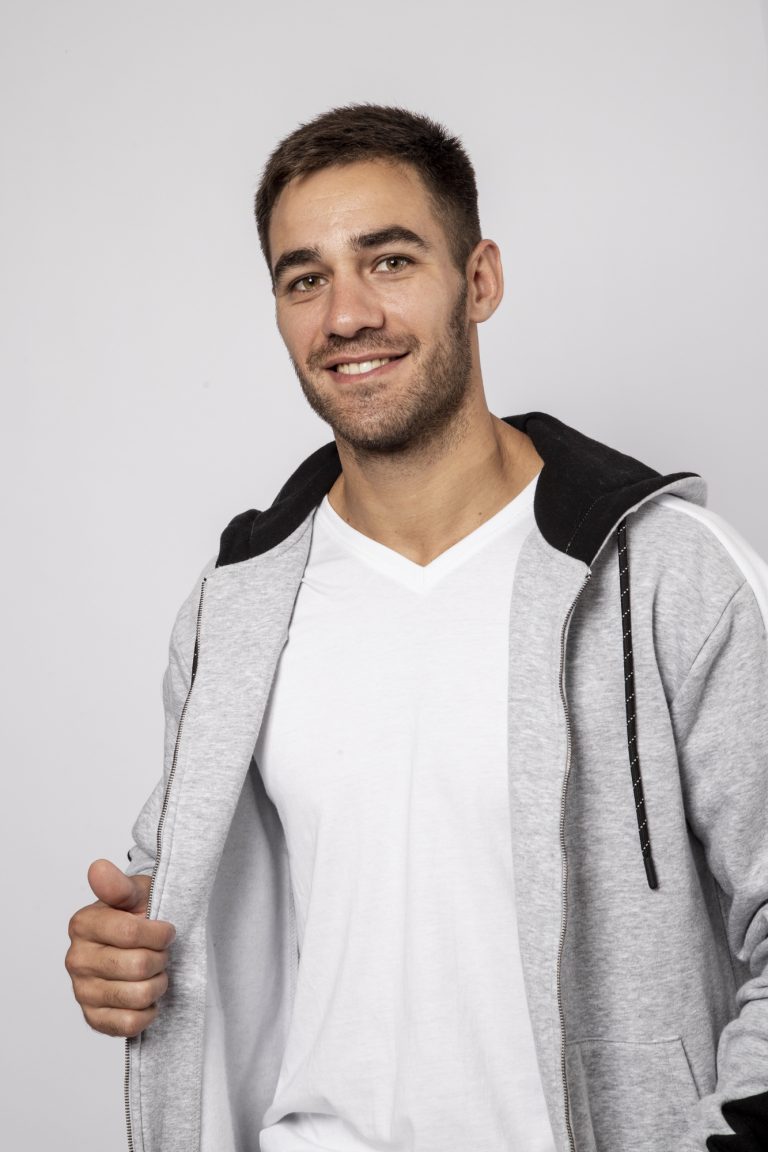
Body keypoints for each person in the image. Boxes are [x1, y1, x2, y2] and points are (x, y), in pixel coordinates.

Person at [65, 105, 768, 1152]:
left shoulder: (669, 574)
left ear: (478, 280)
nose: (346, 315)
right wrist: (123, 958)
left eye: (389, 261)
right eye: (305, 279)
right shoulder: (232, 610)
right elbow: (177, 909)